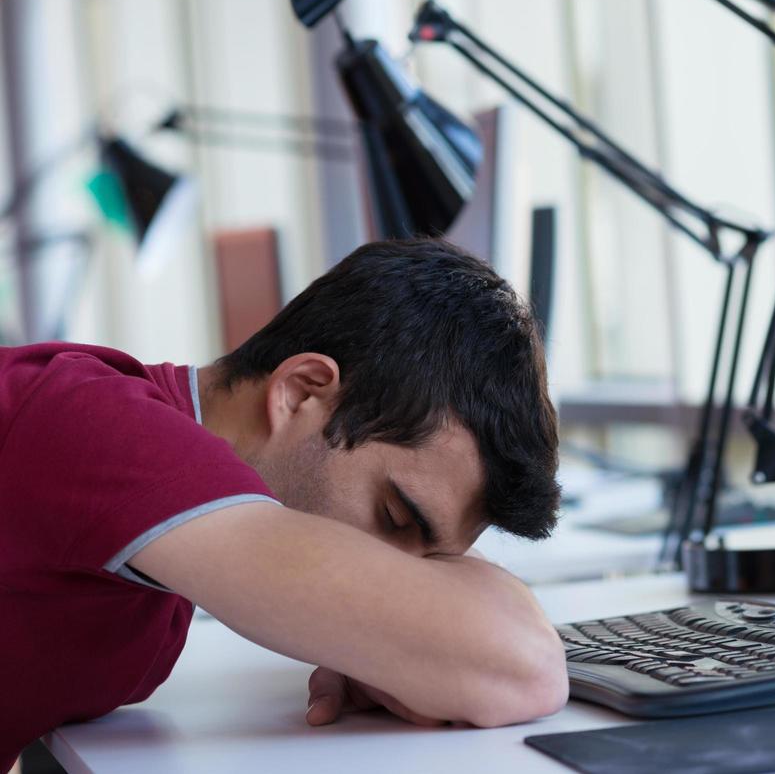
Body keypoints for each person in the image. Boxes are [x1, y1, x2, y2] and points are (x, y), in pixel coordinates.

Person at [0, 238, 568, 767]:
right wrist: (428, 644)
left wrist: (400, 648)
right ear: (301, 392)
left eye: (431, 561)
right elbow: (526, 669)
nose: (393, 570)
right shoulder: (102, 428)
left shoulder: (160, 567)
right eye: (394, 516)